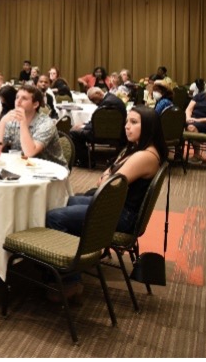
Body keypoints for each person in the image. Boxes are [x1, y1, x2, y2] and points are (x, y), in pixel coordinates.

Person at [45, 107, 167, 297]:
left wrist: (109, 172)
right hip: (117, 206)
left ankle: (71, 281)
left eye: (134, 122)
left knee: (54, 217)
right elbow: (106, 179)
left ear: (149, 127)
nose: (127, 127)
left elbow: (106, 184)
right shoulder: (138, 149)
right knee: (65, 201)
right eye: (127, 122)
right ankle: (73, 258)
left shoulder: (144, 156)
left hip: (123, 214)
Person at [0, 84, 65, 166]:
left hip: (52, 169)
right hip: (25, 166)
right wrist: (3, 121)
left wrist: (23, 122)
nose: (18, 102)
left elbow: (30, 152)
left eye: (24, 98)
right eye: (17, 97)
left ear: (35, 104)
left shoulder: (46, 123)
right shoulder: (12, 120)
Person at [69, 86, 128, 167]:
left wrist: (83, 127)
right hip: (116, 132)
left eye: (93, 99)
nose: (94, 102)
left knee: (73, 133)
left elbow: (98, 123)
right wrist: (85, 125)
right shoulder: (112, 98)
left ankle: (85, 161)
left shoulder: (107, 103)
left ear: (98, 93)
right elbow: (99, 121)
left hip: (106, 134)